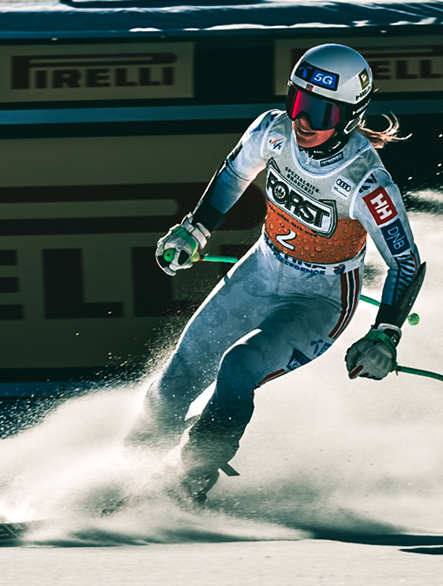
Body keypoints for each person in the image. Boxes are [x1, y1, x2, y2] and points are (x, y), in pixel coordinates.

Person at [128, 43, 426, 504]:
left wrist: (385, 334)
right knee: (177, 378)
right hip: (261, 269)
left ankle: (190, 479)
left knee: (239, 365)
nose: (303, 122)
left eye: (320, 113)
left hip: (320, 300)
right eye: (299, 103)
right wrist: (196, 229)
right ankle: (122, 474)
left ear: (348, 117)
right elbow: (233, 175)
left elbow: (406, 263)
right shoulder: (273, 131)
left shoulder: (366, 182)